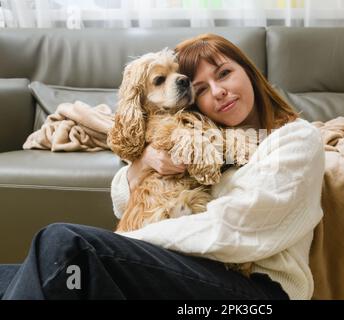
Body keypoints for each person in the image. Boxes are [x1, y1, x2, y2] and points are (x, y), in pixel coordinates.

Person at [0, 34, 325, 300]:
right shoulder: (198, 135)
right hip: (190, 269)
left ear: (249, 72)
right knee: (25, 271)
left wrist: (127, 245)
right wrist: (142, 164)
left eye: (224, 73)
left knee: (62, 245)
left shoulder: (296, 139)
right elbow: (126, 200)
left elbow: (235, 228)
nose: (218, 91)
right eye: (200, 89)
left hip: (258, 293)